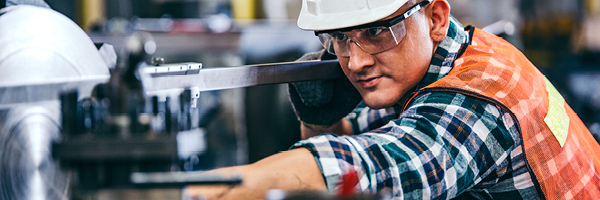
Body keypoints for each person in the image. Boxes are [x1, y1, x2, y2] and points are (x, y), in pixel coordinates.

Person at [187, 0, 600, 199]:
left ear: (435, 18)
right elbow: (354, 141)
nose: (356, 61)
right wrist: (320, 115)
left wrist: (207, 194)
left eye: (376, 32)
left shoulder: (477, 103)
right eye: (341, 39)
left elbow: (364, 166)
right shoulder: (446, 58)